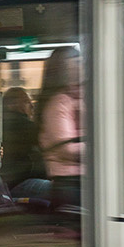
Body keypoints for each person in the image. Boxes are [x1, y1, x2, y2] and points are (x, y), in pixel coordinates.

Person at [36, 46, 83, 209]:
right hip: (69, 184)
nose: (79, 69)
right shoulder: (58, 103)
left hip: (79, 180)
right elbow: (66, 149)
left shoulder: (76, 99)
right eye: (73, 65)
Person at [0, 85, 44, 188]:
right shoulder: (19, 123)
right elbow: (47, 139)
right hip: (18, 183)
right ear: (11, 104)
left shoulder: (6, 121)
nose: (32, 106)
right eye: (27, 102)